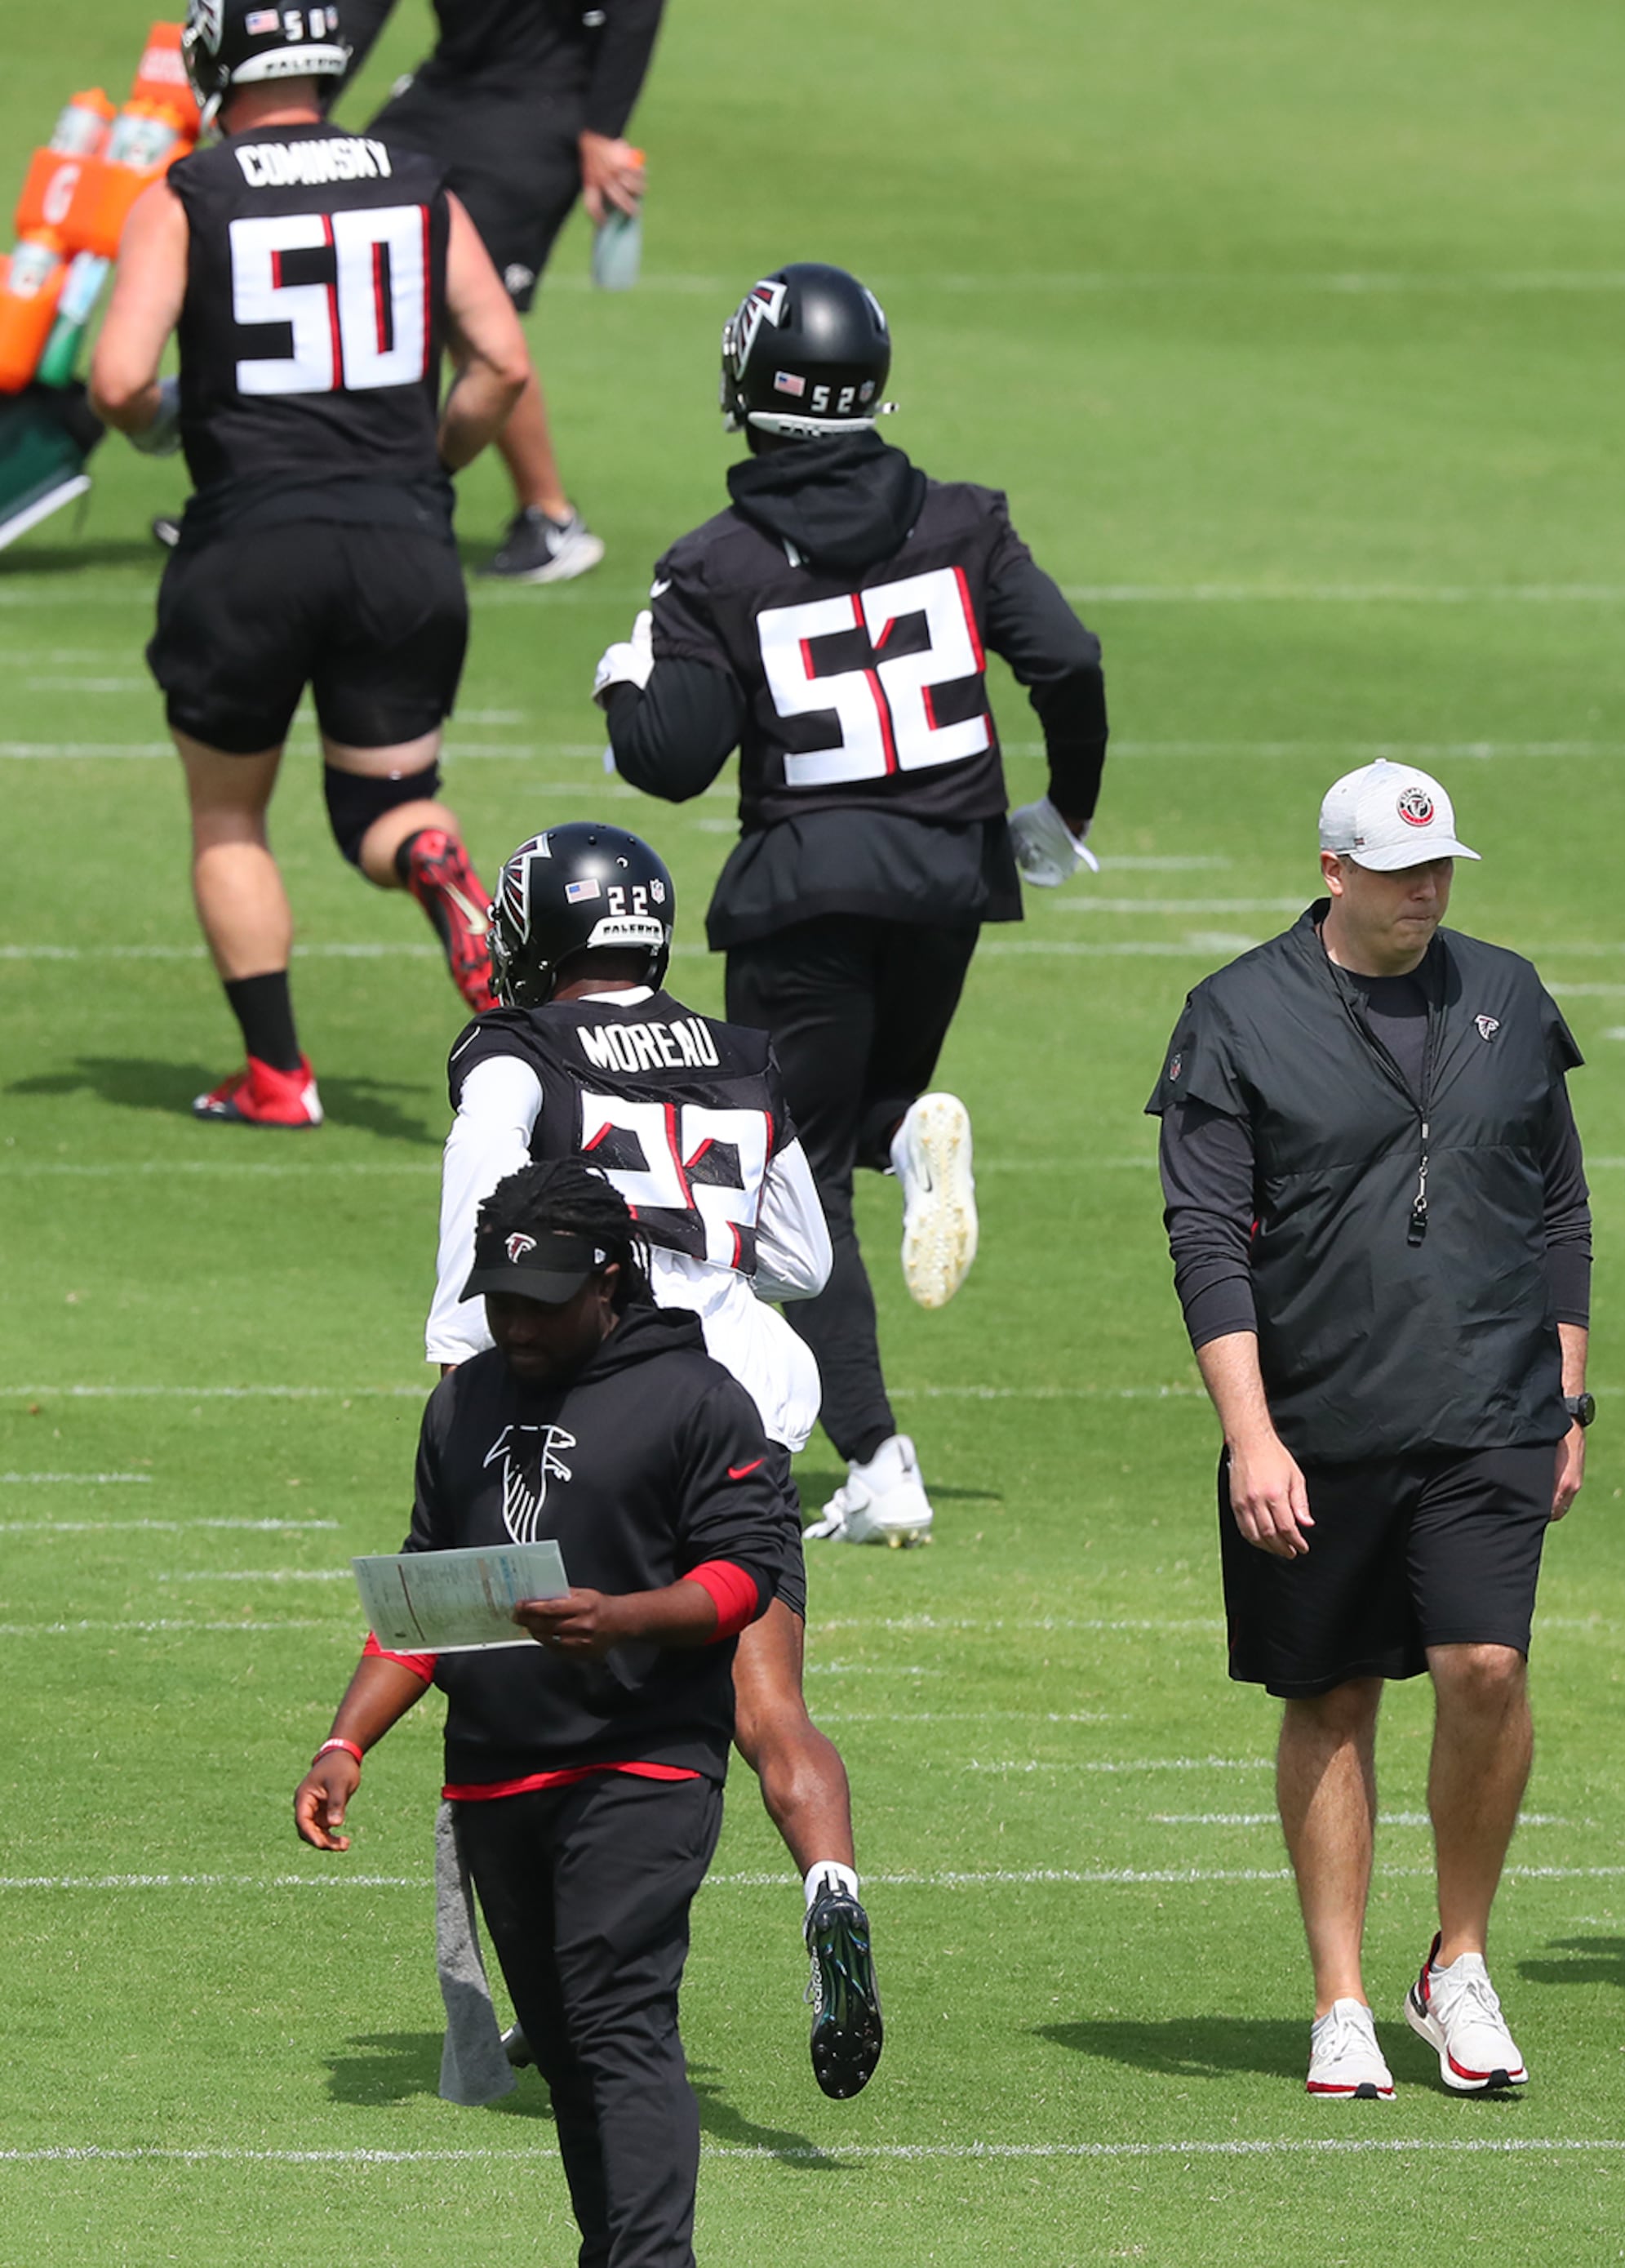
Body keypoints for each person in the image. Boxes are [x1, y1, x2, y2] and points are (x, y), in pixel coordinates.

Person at [597, 261, 1111, 1545]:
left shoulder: (717, 563)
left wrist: (624, 678)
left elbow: (671, 759)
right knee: (848, 1129)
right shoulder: (959, 518)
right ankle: (905, 1141)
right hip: (950, 878)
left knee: (784, 1177)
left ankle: (878, 1456)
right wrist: (1062, 818)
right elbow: (1071, 659)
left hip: (806, 895)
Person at [1148, 761, 1589, 2101]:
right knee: (1332, 1697)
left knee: (1484, 1669)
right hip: (1319, 1420)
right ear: (1334, 871)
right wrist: (1250, 1436)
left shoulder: (1508, 995)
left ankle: (1456, 1959)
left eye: (1441, 868)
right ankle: (1340, 1995)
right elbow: (1206, 1241)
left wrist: (1566, 1393)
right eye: (1402, 873)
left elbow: (1559, 1207)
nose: (1427, 893)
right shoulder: (1234, 1014)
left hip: (1492, 1411)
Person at [427, 820, 881, 2093]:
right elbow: (805, 1261)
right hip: (741, 1405)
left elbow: (478, 1233)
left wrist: (464, 1384)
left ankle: (559, 2002)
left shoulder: (514, 1055)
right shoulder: (742, 1053)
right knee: (768, 1706)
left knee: (530, 1700)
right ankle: (832, 1885)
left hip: (597, 1412)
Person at [295, 1158, 804, 2268]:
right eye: (500, 1299)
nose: (515, 1323)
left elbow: (743, 1575)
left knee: (619, 2014)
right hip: (494, 1776)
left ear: (611, 1278)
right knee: (571, 2044)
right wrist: (345, 1740)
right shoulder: (464, 1402)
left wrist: (622, 1617)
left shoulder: (697, 1398)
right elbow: (426, 1596)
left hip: (644, 1764)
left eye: (542, 1299)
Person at [86, 3, 526, 1127]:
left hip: (252, 540)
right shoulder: (420, 175)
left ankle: (278, 1076)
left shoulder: (189, 192)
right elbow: (501, 367)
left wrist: (166, 424)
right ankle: (427, 853)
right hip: (401, 544)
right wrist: (424, 472)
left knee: (229, 816)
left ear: (212, 63)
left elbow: (120, 378)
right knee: (386, 799)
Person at [333, 0, 662, 582]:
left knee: (468, 313)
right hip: (448, 85)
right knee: (347, 245)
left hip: (545, 99)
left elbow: (636, 8)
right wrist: (286, 115)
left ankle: (551, 519)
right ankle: (290, 497)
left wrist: (604, 131)